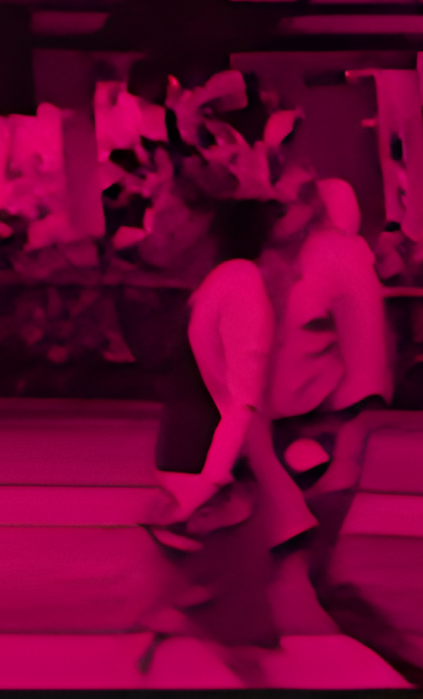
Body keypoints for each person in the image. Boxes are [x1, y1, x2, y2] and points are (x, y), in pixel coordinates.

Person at [268, 178, 423, 689]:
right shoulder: (281, 257)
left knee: (300, 567)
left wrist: (347, 450)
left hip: (317, 431)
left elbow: (366, 364)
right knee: (267, 563)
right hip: (284, 428)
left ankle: (409, 663)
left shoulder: (337, 258)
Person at [141, 193, 293, 686]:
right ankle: (176, 621)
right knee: (236, 607)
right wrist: (215, 477)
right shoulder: (243, 286)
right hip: (206, 452)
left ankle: (169, 621)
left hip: (188, 444)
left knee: (221, 585)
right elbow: (241, 396)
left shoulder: (217, 283)